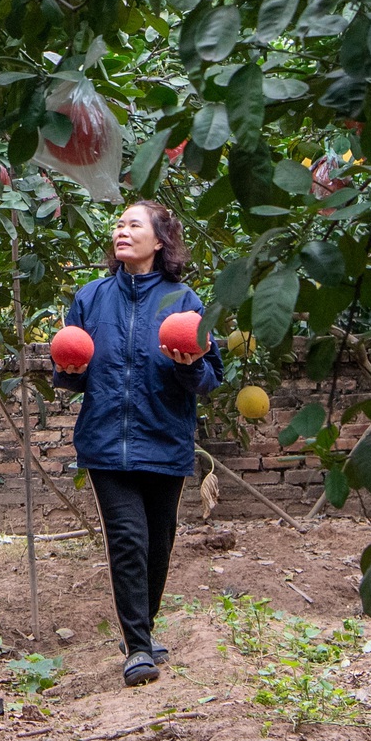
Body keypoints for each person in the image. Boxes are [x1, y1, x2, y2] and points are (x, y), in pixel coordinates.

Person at [52, 198, 223, 686]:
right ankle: (139, 647)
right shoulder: (90, 298)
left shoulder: (185, 301)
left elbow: (212, 378)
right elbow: (73, 374)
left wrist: (190, 365)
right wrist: (69, 371)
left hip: (164, 439)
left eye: (133, 225)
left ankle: (139, 630)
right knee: (128, 539)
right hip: (106, 442)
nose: (121, 231)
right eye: (118, 225)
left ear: (159, 239)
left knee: (158, 543)